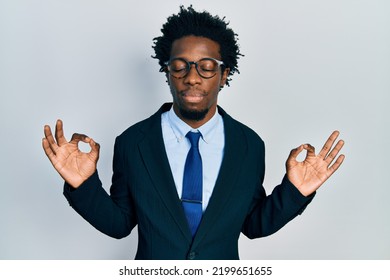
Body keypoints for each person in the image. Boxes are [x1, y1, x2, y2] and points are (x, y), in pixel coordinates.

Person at [42, 6, 345, 260]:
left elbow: (253, 224)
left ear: (225, 74)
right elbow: (120, 223)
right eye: (180, 66)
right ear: (167, 71)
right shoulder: (133, 142)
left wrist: (296, 192)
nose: (192, 78)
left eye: (206, 67)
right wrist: (82, 184)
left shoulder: (249, 145)